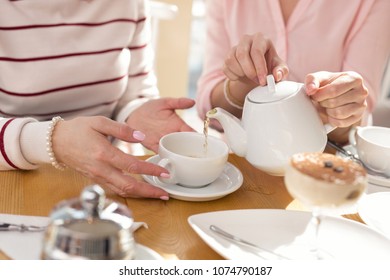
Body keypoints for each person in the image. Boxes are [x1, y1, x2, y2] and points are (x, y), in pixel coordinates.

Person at [0, 0, 196, 200]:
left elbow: (136, 91)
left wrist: (136, 113)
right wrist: (53, 141)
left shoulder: (128, 5)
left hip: (107, 180)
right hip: (14, 181)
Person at [196, 0, 390, 144]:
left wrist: (336, 109)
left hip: (326, 169)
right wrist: (244, 83)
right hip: (243, 173)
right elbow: (208, 110)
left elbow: (357, 118)